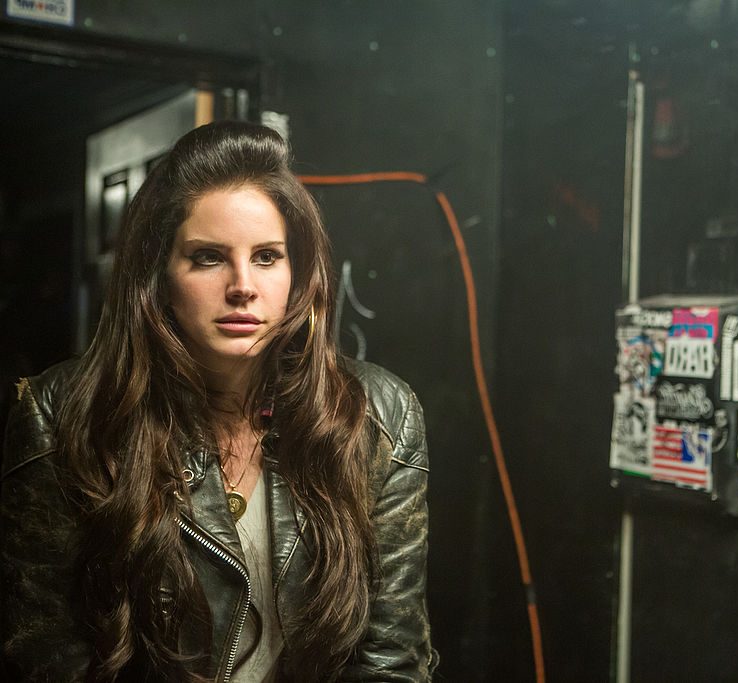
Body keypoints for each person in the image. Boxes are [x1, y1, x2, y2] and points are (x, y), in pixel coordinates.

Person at [1, 121, 437, 681]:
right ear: (159, 276)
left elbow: (391, 660)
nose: (242, 286)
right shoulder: (65, 416)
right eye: (208, 257)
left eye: (267, 256)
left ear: (298, 272)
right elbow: (49, 662)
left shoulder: (379, 415)